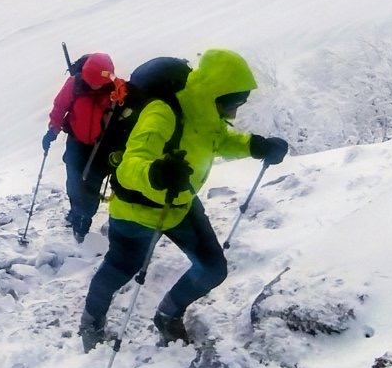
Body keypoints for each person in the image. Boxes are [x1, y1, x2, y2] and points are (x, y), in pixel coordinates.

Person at [78, 48, 289, 349]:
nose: (234, 113)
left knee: (213, 268)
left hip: (180, 203)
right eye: (231, 104)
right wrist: (156, 174)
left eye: (238, 104)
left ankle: (167, 314)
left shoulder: (207, 111)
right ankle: (90, 323)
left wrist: (255, 146)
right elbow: (129, 166)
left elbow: (217, 139)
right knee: (119, 270)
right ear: (214, 93)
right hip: (136, 211)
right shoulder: (162, 112)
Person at [42, 52, 121, 242]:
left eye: (98, 82)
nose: (94, 86)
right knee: (74, 181)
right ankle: (76, 210)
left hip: (102, 146)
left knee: (92, 184)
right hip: (76, 141)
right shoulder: (75, 84)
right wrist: (53, 130)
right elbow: (60, 107)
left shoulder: (117, 90)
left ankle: (85, 217)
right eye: (91, 81)